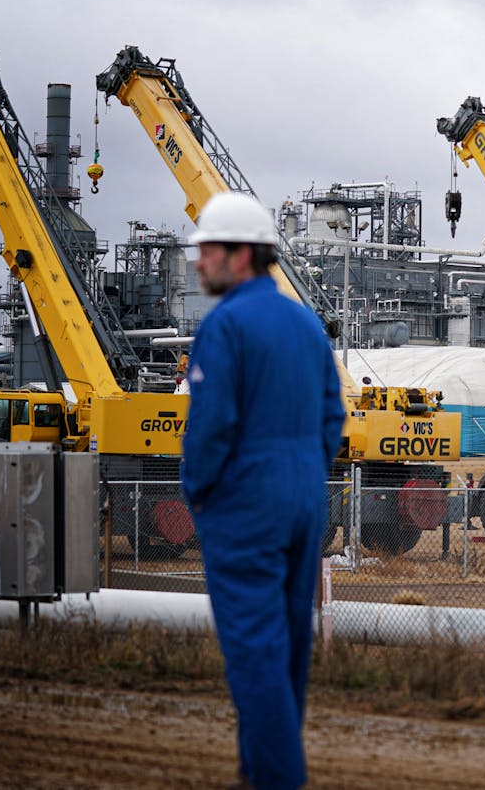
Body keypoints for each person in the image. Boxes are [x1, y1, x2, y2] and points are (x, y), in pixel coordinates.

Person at [180, 192, 346, 790]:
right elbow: (334, 417)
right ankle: (258, 771)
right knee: (287, 645)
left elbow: (211, 425)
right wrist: (301, 470)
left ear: (241, 255)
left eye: (207, 251)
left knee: (253, 653)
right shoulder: (305, 323)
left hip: (246, 504)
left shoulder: (225, 326)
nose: (198, 263)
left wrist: (198, 492)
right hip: (305, 498)